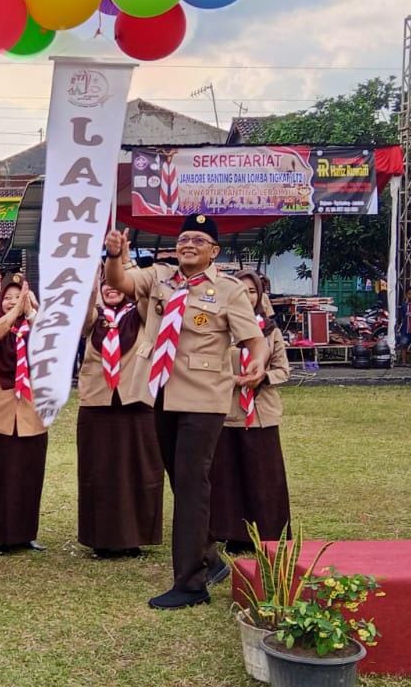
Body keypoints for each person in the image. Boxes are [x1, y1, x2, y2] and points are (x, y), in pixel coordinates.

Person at [103, 214, 268, 609]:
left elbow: (254, 339)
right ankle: (210, 558)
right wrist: (113, 255)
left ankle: (191, 583)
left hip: (203, 396)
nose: (188, 245)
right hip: (161, 390)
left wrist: (259, 363)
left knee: (193, 484)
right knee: (181, 480)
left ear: (214, 251)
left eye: (198, 240)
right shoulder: (160, 277)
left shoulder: (228, 290)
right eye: (183, 239)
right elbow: (119, 282)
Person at [76, 281, 164, 559]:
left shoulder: (140, 314)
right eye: (106, 286)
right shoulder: (95, 318)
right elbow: (82, 319)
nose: (111, 289)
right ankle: (101, 538)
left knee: (137, 472)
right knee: (99, 473)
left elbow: (150, 296)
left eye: (117, 285)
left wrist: (128, 275)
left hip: (135, 403)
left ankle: (134, 537)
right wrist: (92, 287)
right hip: (98, 404)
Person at [209, 270, 292, 553]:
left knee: (264, 476)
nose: (247, 296)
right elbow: (209, 366)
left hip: (261, 414)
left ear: (260, 296)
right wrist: (233, 379)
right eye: (241, 291)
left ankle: (268, 533)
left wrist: (263, 377)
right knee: (229, 476)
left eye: (252, 291)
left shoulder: (270, 331)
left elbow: (283, 370)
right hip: (227, 412)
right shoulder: (220, 330)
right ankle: (233, 534)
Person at [0, 274, 47, 554]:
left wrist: (32, 313)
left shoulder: (36, 325)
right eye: (8, 297)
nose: (13, 302)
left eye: (19, 296)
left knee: (28, 473)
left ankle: (26, 533)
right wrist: (15, 312)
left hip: (31, 412)